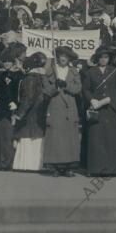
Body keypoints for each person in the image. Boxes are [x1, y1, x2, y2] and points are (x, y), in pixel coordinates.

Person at [82, 46, 116, 176]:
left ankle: (113, 169)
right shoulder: (91, 72)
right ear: (97, 58)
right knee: (96, 139)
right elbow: (86, 89)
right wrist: (91, 100)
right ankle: (95, 169)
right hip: (96, 110)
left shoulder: (114, 71)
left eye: (106, 57)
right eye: (101, 57)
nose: (103, 60)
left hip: (111, 108)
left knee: (111, 139)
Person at [42, 46, 82, 177]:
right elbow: (45, 90)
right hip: (55, 106)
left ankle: (68, 167)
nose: (63, 58)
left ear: (69, 58)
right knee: (55, 137)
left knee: (70, 138)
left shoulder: (74, 72)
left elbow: (78, 89)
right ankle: (54, 167)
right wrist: (55, 87)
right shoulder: (50, 71)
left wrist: (66, 86)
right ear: (57, 57)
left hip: (69, 107)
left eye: (66, 56)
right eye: (61, 56)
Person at [0, 49, 23, 170]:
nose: (7, 64)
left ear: (13, 62)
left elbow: (19, 91)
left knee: (6, 136)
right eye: (5, 61)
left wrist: (16, 103)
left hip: (9, 109)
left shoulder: (18, 75)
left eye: (9, 61)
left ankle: (6, 162)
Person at [12, 52, 47, 171]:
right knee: (37, 140)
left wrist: (19, 114)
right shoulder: (44, 78)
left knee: (28, 138)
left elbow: (27, 98)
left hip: (30, 114)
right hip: (40, 113)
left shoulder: (30, 79)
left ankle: (27, 165)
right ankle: (37, 165)